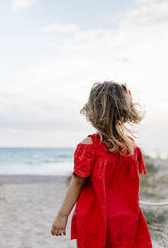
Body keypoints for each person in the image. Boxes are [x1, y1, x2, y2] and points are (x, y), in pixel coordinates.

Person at [50, 81, 152, 248]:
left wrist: (62, 215)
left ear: (95, 112)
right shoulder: (132, 148)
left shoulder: (90, 145)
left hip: (95, 219)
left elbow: (77, 182)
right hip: (126, 219)